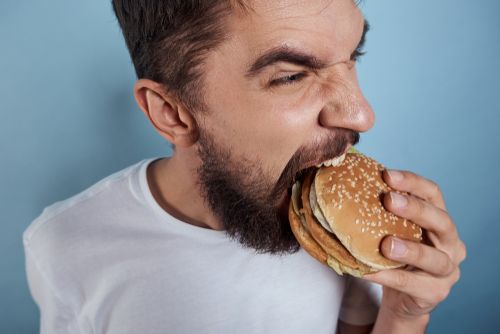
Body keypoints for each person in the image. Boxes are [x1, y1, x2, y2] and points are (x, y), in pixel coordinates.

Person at [23, 1, 466, 333]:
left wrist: (404, 316)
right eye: (291, 76)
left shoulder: (346, 236)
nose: (361, 115)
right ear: (171, 113)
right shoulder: (63, 246)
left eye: (354, 57)